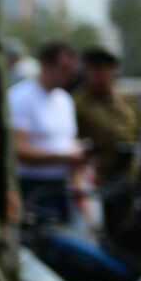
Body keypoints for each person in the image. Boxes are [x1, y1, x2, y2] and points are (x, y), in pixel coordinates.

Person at [8, 39, 91, 226]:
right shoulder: (21, 97)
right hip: (33, 188)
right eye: (63, 68)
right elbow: (17, 149)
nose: (68, 75)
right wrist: (62, 157)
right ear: (46, 65)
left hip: (62, 186)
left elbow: (70, 142)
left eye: (71, 69)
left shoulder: (65, 100)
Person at [73, 46, 141, 186]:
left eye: (100, 70)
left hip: (130, 175)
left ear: (111, 72)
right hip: (99, 177)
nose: (94, 75)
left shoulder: (126, 98)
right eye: (90, 70)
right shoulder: (78, 102)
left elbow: (138, 128)